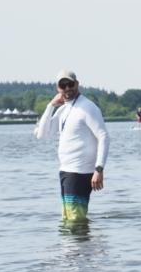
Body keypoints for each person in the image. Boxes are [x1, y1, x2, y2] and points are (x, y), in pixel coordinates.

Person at [33, 70, 109, 224]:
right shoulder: (63, 109)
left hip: (80, 172)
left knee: (75, 220)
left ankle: (82, 247)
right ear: (58, 89)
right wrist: (50, 106)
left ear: (77, 84)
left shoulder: (88, 107)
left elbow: (104, 137)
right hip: (66, 171)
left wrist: (99, 169)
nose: (67, 88)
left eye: (70, 84)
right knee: (68, 218)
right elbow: (42, 134)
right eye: (63, 85)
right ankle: (79, 248)